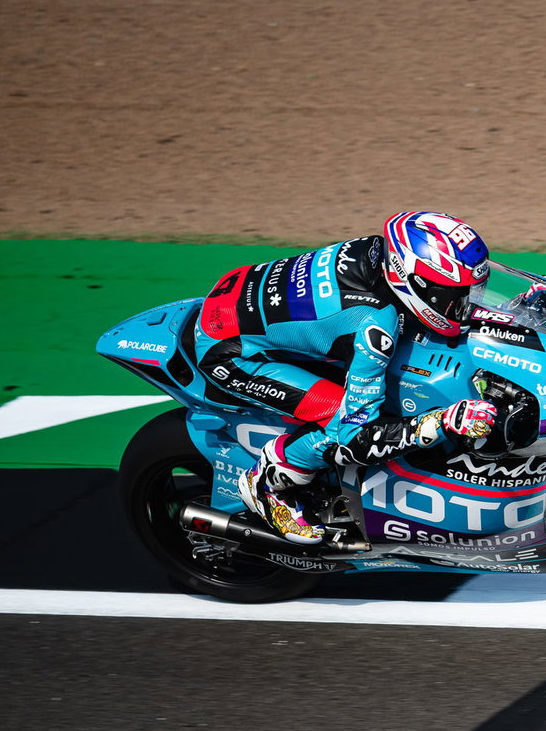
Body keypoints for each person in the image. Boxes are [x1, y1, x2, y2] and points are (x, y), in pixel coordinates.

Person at [192, 211, 498, 545]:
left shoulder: (380, 250)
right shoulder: (373, 328)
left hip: (240, 292)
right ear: (414, 281)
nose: (466, 305)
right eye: (456, 296)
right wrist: (444, 421)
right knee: (340, 420)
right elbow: (356, 438)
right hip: (231, 352)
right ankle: (267, 481)